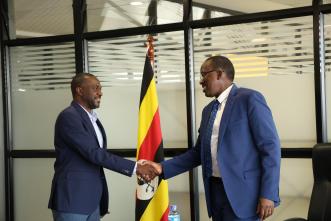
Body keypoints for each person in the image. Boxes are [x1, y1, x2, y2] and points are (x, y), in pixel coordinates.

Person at [146, 56, 281, 221]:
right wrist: (162, 168)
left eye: (204, 75)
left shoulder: (249, 99)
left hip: (244, 196)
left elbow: (270, 147)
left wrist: (268, 194)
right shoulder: (208, 110)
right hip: (215, 192)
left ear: (219, 73)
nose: (201, 81)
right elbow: (198, 153)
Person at [48, 73, 156, 221]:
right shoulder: (69, 116)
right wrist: (135, 167)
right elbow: (93, 153)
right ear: (79, 90)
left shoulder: (92, 119)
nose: (100, 92)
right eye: (95, 88)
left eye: (100, 88)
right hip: (72, 200)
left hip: (92, 202)